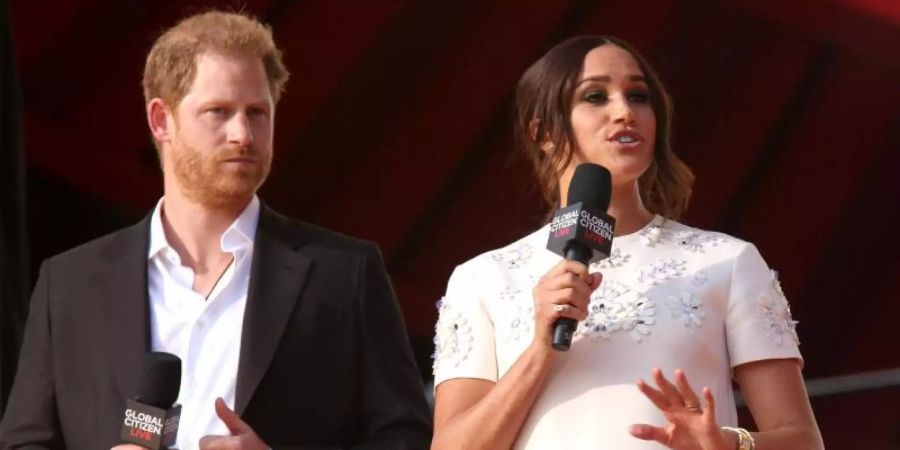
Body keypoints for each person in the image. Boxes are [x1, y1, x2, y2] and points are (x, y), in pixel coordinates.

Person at [0, 10, 430, 450]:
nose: (243, 134)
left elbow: (405, 439)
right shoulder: (69, 283)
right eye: (219, 112)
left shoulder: (345, 274)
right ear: (161, 120)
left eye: (258, 113)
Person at [430, 36, 823, 450]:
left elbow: (804, 442)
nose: (625, 112)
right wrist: (541, 350)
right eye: (595, 96)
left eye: (638, 96)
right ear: (543, 131)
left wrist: (727, 444)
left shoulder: (726, 262)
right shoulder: (483, 278)